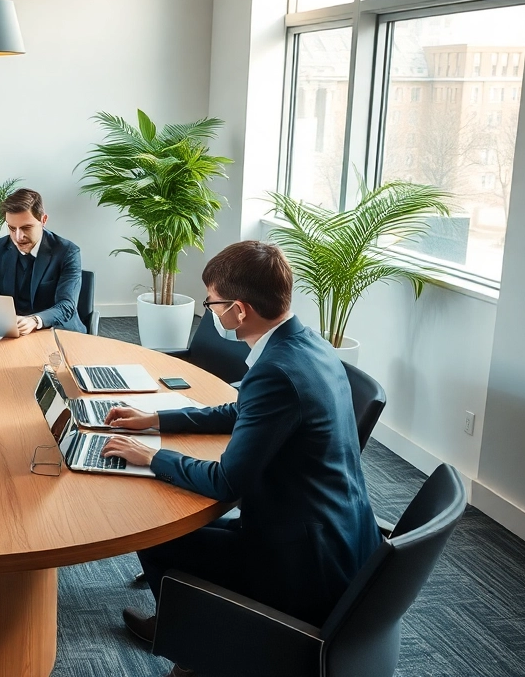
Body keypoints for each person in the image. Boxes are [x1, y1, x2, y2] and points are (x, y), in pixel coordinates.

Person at [99, 240, 380, 674]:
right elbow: (241, 410)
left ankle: (191, 641)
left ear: (240, 310)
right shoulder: (305, 344)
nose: (210, 310)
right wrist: (156, 419)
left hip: (302, 561)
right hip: (341, 536)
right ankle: (184, 624)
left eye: (212, 302)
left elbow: (226, 482)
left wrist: (150, 457)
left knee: (154, 532)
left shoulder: (277, 370)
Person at [0, 188, 86, 335]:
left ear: (43, 220)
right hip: (14, 332)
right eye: (11, 228)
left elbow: (66, 306)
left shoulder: (67, 252)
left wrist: (35, 320)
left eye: (26, 228)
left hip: (58, 331)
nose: (18, 237)